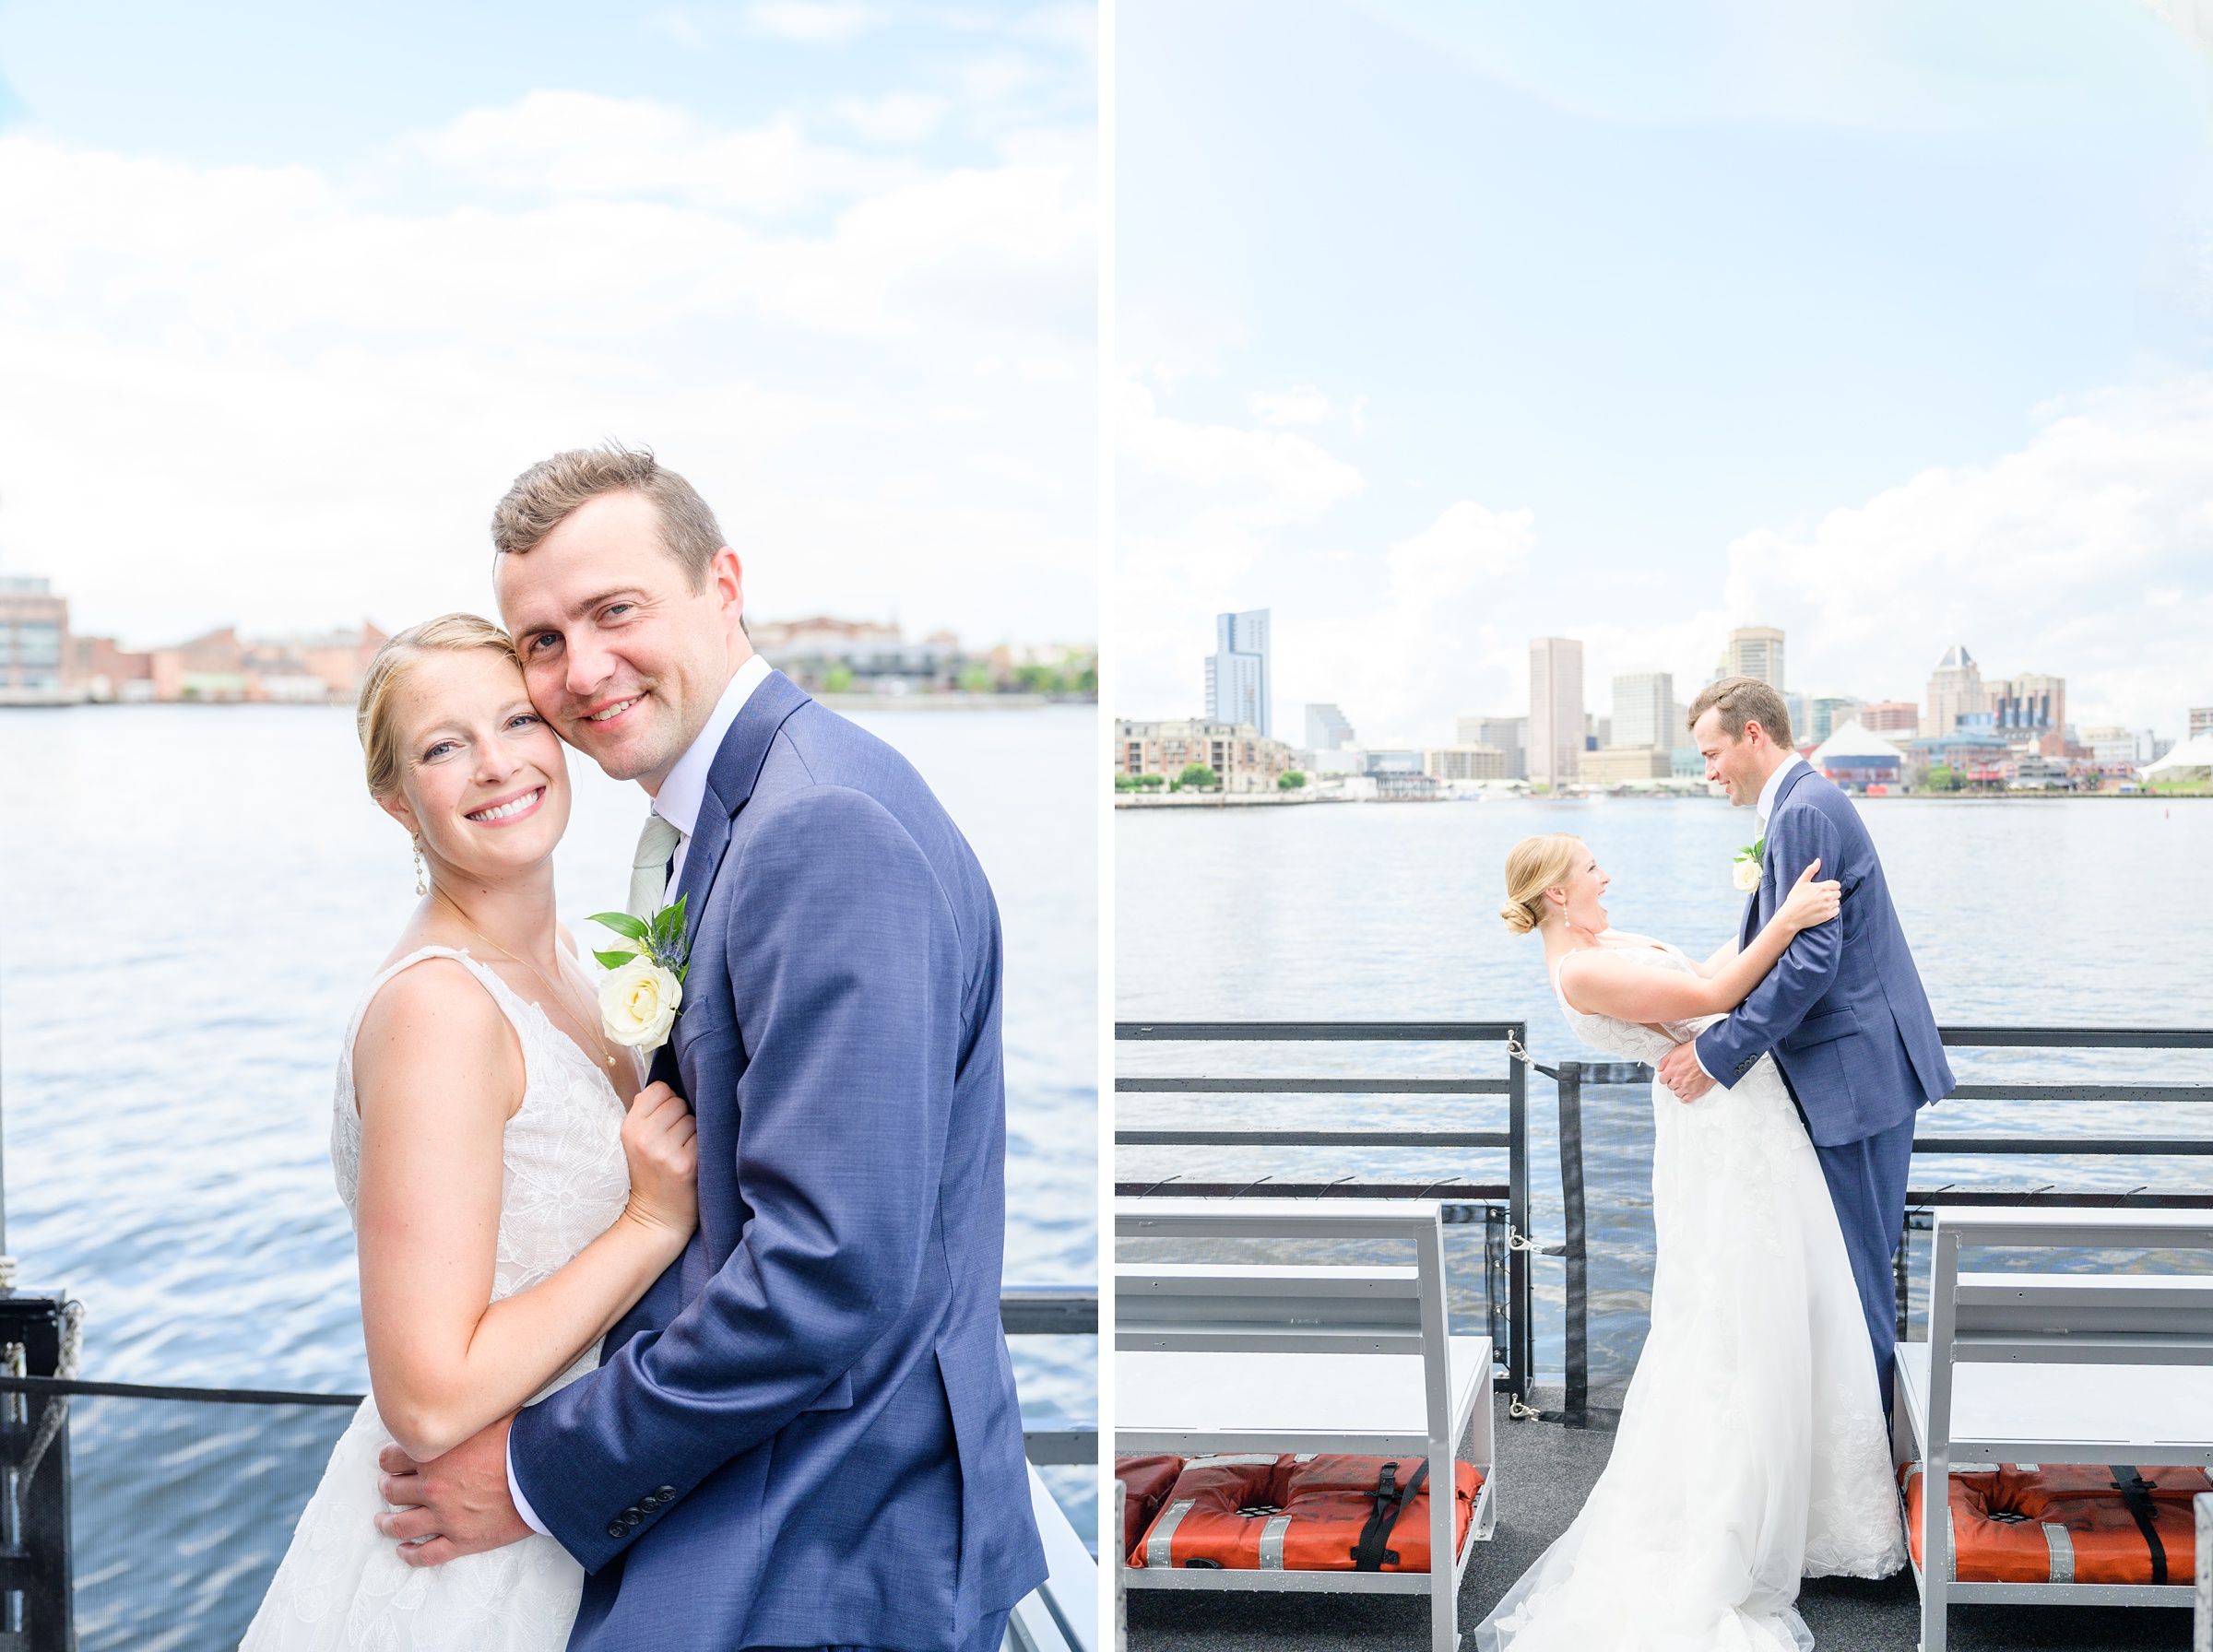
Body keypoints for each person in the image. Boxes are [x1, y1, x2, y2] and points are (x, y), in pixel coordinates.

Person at [369, 445, 1047, 1652]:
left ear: (723, 584)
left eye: (614, 611)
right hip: (746, 1510)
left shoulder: (819, 824)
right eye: (542, 640)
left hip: (826, 1542)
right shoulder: (739, 815)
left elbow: (829, 1269)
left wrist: (535, 1472)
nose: (583, 670)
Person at [244, 614, 702, 1649]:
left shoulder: (574, 969)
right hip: (464, 1555)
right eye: (445, 747)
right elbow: (428, 1393)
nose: (498, 765)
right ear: (397, 801)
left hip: (560, 1506)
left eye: (515, 722)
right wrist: (648, 1220)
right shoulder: (440, 1012)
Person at [1475, 831, 1903, 1651]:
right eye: (1592, 865)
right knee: (1740, 1313)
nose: (1608, 870)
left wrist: (1761, 908)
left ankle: (1810, 1508)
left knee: (1796, 1296)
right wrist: (1788, 918)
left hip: (1743, 1113)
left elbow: (1703, 973)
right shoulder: (1582, 969)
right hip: (1724, 1130)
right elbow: (1711, 988)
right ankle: (1740, 1513)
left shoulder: (1602, 943)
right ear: (1558, 892)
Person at [1659, 676, 1955, 1423]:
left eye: (1713, 752)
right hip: (1856, 1069)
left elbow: (1811, 964)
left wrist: (1718, 1053)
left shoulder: (1804, 812)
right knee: (1847, 1268)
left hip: (1854, 1077)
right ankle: (1861, 1454)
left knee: (1857, 1276)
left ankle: (1877, 1478)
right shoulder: (1802, 805)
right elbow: (1788, 943)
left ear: (1753, 735)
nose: (1709, 772)